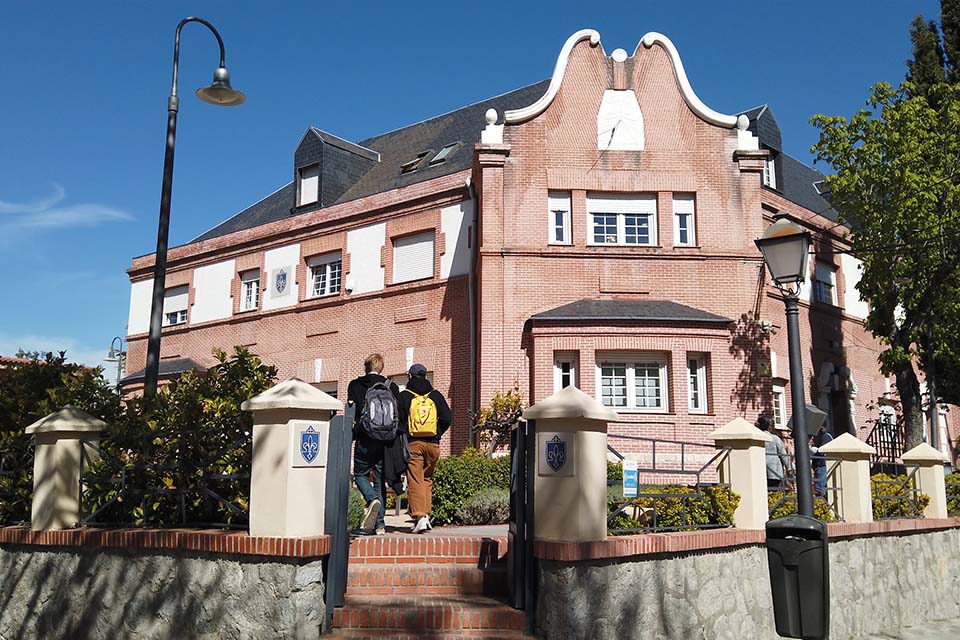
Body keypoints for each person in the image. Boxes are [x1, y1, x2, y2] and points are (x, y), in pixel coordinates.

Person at [347, 353, 401, 535]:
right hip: (385, 440)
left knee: (361, 474)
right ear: (382, 368)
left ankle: (371, 500)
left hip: (364, 437)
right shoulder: (392, 386)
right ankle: (380, 525)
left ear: (365, 366)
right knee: (379, 479)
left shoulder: (355, 385)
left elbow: (351, 412)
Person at [399, 364, 452, 533]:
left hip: (414, 444)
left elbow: (398, 421)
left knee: (415, 479)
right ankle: (426, 516)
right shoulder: (436, 395)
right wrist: (436, 433)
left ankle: (420, 516)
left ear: (410, 376)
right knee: (427, 479)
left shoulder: (405, 396)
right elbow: (447, 418)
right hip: (433, 444)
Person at [757, 415, 792, 490]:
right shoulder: (775, 438)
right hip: (775, 470)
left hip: (760, 470)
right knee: (773, 491)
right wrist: (789, 468)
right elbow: (783, 454)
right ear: (769, 426)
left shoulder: (757, 438)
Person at [810, 423, 834, 496]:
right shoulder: (823, 437)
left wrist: (814, 457)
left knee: (820, 487)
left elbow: (821, 451)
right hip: (820, 465)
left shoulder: (826, 437)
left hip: (823, 464)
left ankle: (822, 501)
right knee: (819, 485)